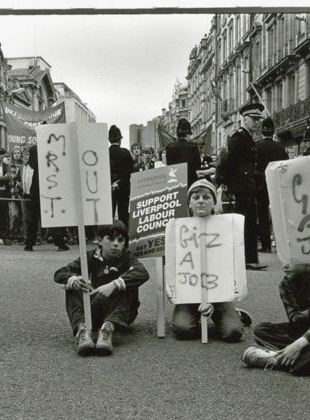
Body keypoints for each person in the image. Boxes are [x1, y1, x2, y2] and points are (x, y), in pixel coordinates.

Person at [167, 179, 252, 341]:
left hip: (219, 293)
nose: (201, 201)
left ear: (214, 202)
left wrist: (212, 299)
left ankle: (235, 315)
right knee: (183, 330)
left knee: (233, 333)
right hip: (188, 292)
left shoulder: (225, 229)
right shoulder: (178, 230)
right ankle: (193, 315)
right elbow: (173, 268)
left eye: (206, 197)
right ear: (189, 203)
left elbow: (229, 268)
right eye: (196, 197)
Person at [241, 262, 310, 379]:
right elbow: (295, 319)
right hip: (303, 332)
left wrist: (298, 345)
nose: (285, 265)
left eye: (291, 261)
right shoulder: (286, 283)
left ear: (308, 262)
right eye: (284, 260)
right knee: (261, 330)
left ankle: (277, 360)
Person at [53, 221, 149, 356]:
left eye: (120, 240)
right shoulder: (90, 256)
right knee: (73, 285)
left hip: (122, 312)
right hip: (94, 310)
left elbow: (143, 273)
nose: (116, 244)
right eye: (110, 239)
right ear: (100, 240)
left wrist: (113, 285)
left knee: (127, 283)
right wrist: (74, 280)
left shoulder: (127, 257)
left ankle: (107, 331)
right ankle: (82, 331)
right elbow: (60, 273)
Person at [216, 102, 266, 270]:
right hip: (242, 187)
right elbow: (232, 163)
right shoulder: (239, 138)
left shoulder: (246, 137)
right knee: (246, 223)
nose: (258, 122)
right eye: (254, 119)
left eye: (259, 119)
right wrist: (230, 185)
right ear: (245, 120)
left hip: (246, 186)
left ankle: (249, 258)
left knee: (249, 223)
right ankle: (247, 259)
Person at [255, 117, 289, 253]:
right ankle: (280, 243)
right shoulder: (280, 147)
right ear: (273, 132)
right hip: (276, 184)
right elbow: (285, 166)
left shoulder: (257, 147)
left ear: (262, 132)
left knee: (263, 215)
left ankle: (266, 245)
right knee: (278, 214)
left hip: (262, 185)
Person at [108, 125, 133, 228]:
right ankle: (124, 239)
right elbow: (130, 171)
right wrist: (119, 183)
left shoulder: (105, 153)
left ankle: (106, 238)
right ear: (120, 140)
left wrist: (111, 184)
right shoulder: (125, 153)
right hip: (123, 188)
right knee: (123, 215)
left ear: (109, 140)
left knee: (109, 216)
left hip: (108, 188)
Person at [165, 118, 201, 189]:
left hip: (176, 184)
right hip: (191, 183)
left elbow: (169, 166)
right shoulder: (193, 147)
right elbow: (198, 166)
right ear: (187, 134)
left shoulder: (169, 147)